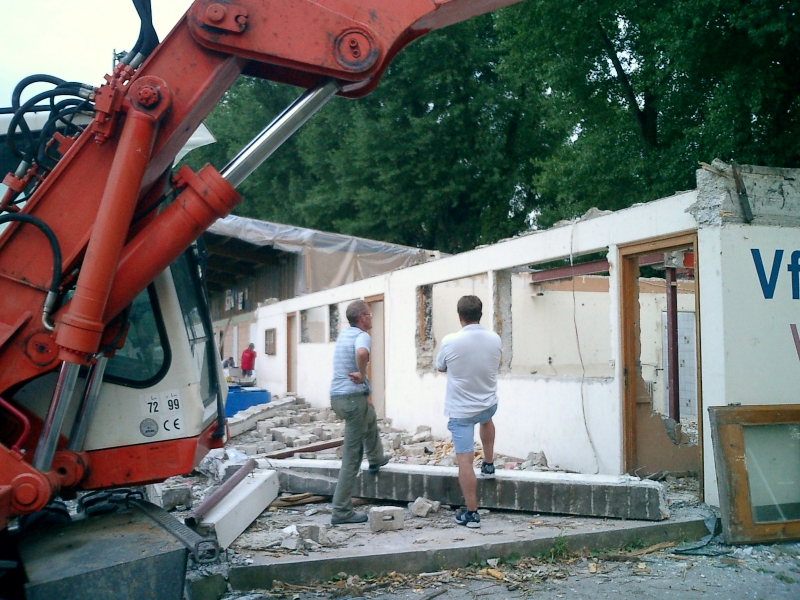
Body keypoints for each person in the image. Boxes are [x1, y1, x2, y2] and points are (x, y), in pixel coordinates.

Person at [435, 295, 501, 529]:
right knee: (486, 419)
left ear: (460, 316)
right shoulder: (495, 338)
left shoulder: (450, 341)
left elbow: (440, 366)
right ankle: (489, 464)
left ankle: (472, 514)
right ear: (480, 314)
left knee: (465, 460)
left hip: (461, 411)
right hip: (487, 403)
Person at [329, 299, 388, 525]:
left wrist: (366, 392)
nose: (372, 318)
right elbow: (362, 354)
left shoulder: (345, 334)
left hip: (338, 398)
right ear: (363, 317)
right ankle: (341, 511)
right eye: (370, 315)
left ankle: (376, 458)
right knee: (352, 457)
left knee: (369, 415)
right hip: (352, 400)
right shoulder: (363, 337)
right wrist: (362, 375)